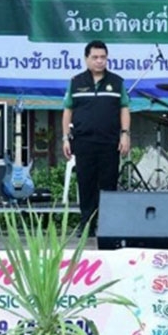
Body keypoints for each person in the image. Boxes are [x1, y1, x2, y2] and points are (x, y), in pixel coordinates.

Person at [62, 40, 131, 233]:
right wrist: (65, 138)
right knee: (86, 182)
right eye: (95, 57)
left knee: (108, 184)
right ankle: (87, 224)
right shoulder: (76, 82)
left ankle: (108, 225)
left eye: (103, 57)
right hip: (83, 142)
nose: (99, 61)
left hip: (109, 142)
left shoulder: (117, 82)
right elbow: (67, 110)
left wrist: (124, 134)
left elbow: (124, 108)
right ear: (86, 59)